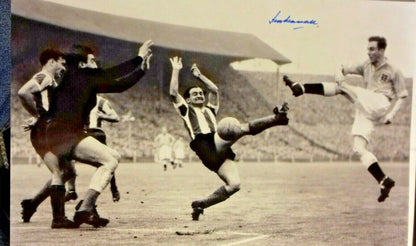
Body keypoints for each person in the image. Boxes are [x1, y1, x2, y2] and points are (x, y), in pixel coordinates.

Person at [28, 40, 153, 228]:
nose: (96, 65)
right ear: (82, 63)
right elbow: (117, 78)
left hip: (56, 133)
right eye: (92, 61)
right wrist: (139, 58)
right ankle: (85, 208)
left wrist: (40, 116)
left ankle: (60, 212)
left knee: (66, 172)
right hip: (67, 134)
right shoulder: (85, 75)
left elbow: (117, 84)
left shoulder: (66, 79)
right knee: (110, 160)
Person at [282, 36, 408, 202]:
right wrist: (339, 74)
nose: (368, 52)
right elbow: (343, 68)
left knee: (343, 88)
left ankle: (302, 88)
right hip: (365, 108)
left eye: (372, 49)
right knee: (359, 148)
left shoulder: (393, 70)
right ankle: (383, 180)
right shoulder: (365, 65)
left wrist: (391, 115)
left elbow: (402, 95)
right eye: (368, 48)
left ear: (382, 50)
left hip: (380, 102)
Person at [169, 57, 289, 220]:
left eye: (200, 93)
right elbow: (173, 92)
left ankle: (201, 204)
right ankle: (276, 119)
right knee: (236, 129)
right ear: (188, 99)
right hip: (204, 144)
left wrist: (199, 76)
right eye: (194, 94)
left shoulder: (210, 110)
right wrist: (176, 69)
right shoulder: (185, 110)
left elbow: (214, 90)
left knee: (234, 185)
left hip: (219, 145)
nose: (198, 95)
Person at [18, 49, 79, 226]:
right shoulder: (44, 76)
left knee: (69, 172)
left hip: (49, 129)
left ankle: (32, 204)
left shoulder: (50, 79)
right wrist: (38, 116)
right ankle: (58, 219)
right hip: (44, 130)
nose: (63, 67)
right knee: (59, 173)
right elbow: (23, 92)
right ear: (51, 62)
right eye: (62, 63)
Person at [65, 95, 121, 203]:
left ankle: (113, 190)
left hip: (96, 133)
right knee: (68, 158)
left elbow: (115, 117)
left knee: (106, 162)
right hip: (81, 133)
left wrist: (101, 115)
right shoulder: (77, 100)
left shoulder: (100, 101)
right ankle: (71, 190)